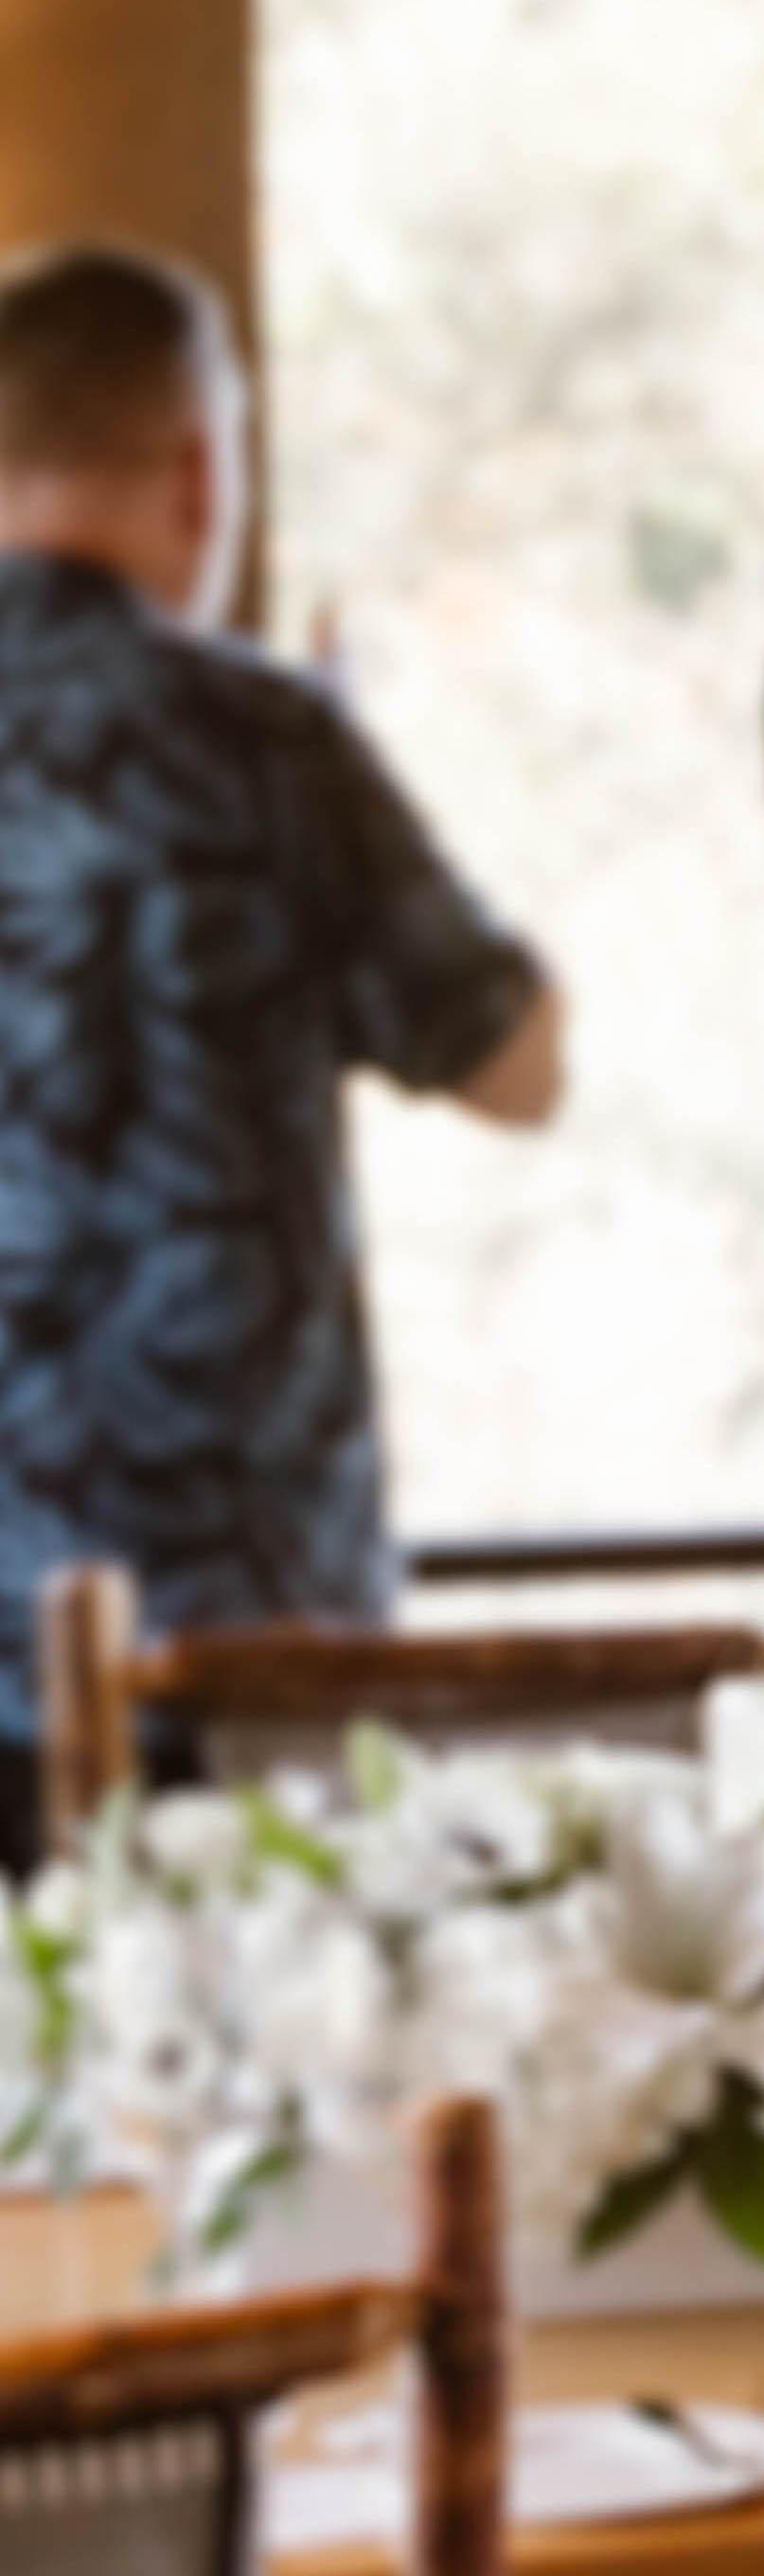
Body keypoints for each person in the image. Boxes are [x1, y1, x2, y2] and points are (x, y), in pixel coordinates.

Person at [0, 242, 564, 1877]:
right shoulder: (269, 743)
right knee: (246, 2103)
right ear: (199, 469)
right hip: (240, 1625)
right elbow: (518, 1067)